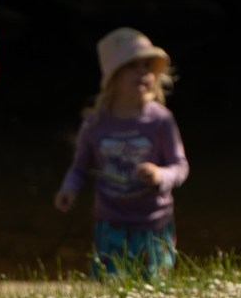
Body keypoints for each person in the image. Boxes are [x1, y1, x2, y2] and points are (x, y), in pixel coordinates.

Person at [54, 27, 190, 279]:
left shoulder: (160, 120)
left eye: (147, 66)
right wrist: (69, 189)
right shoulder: (95, 123)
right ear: (113, 78)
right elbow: (80, 167)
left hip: (154, 223)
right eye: (132, 66)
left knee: (153, 286)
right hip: (111, 223)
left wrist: (159, 175)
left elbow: (180, 166)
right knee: (109, 283)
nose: (142, 72)